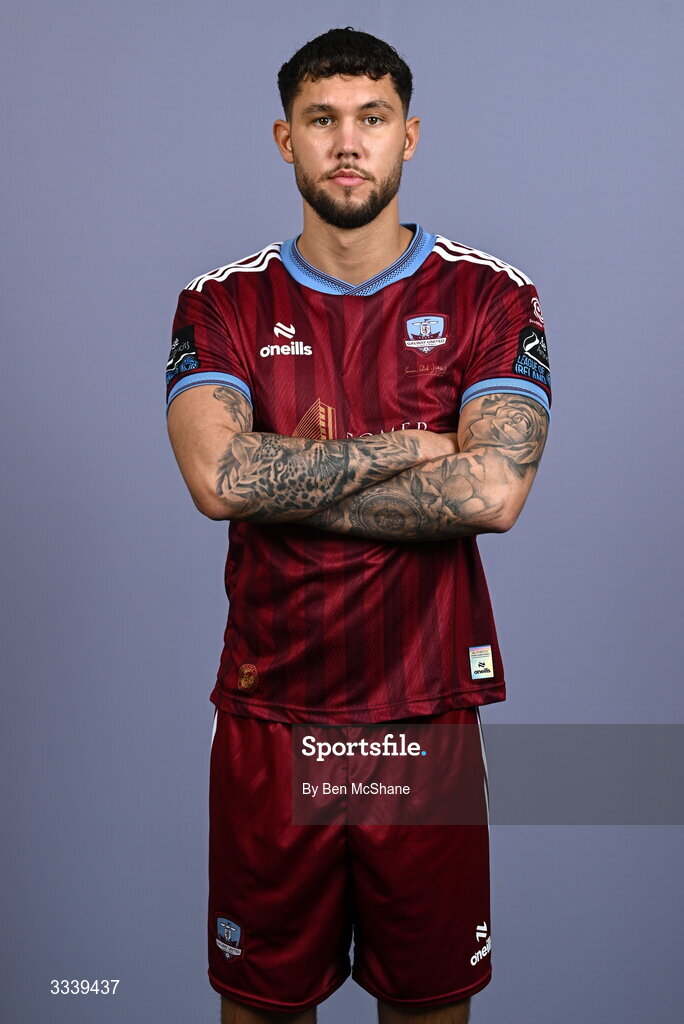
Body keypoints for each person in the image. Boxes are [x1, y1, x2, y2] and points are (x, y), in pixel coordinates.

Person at [165, 26, 550, 1024]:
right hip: (270, 718)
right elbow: (217, 476)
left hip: (420, 719)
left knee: (428, 1008)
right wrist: (412, 447)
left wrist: (284, 477)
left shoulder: (489, 295)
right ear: (283, 137)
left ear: (408, 136)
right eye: (323, 120)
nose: (348, 143)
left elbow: (493, 494)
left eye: (371, 120)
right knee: (262, 1007)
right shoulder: (223, 303)